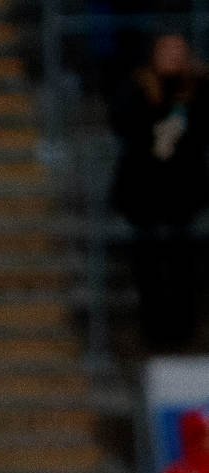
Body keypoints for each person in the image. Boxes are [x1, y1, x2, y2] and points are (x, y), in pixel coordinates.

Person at [111, 33, 209, 349]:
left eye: (179, 51)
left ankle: (183, 332)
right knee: (149, 267)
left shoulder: (196, 89)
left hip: (184, 197)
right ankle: (154, 334)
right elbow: (124, 126)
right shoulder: (138, 88)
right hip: (145, 197)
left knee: (184, 267)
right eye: (167, 51)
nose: (173, 58)